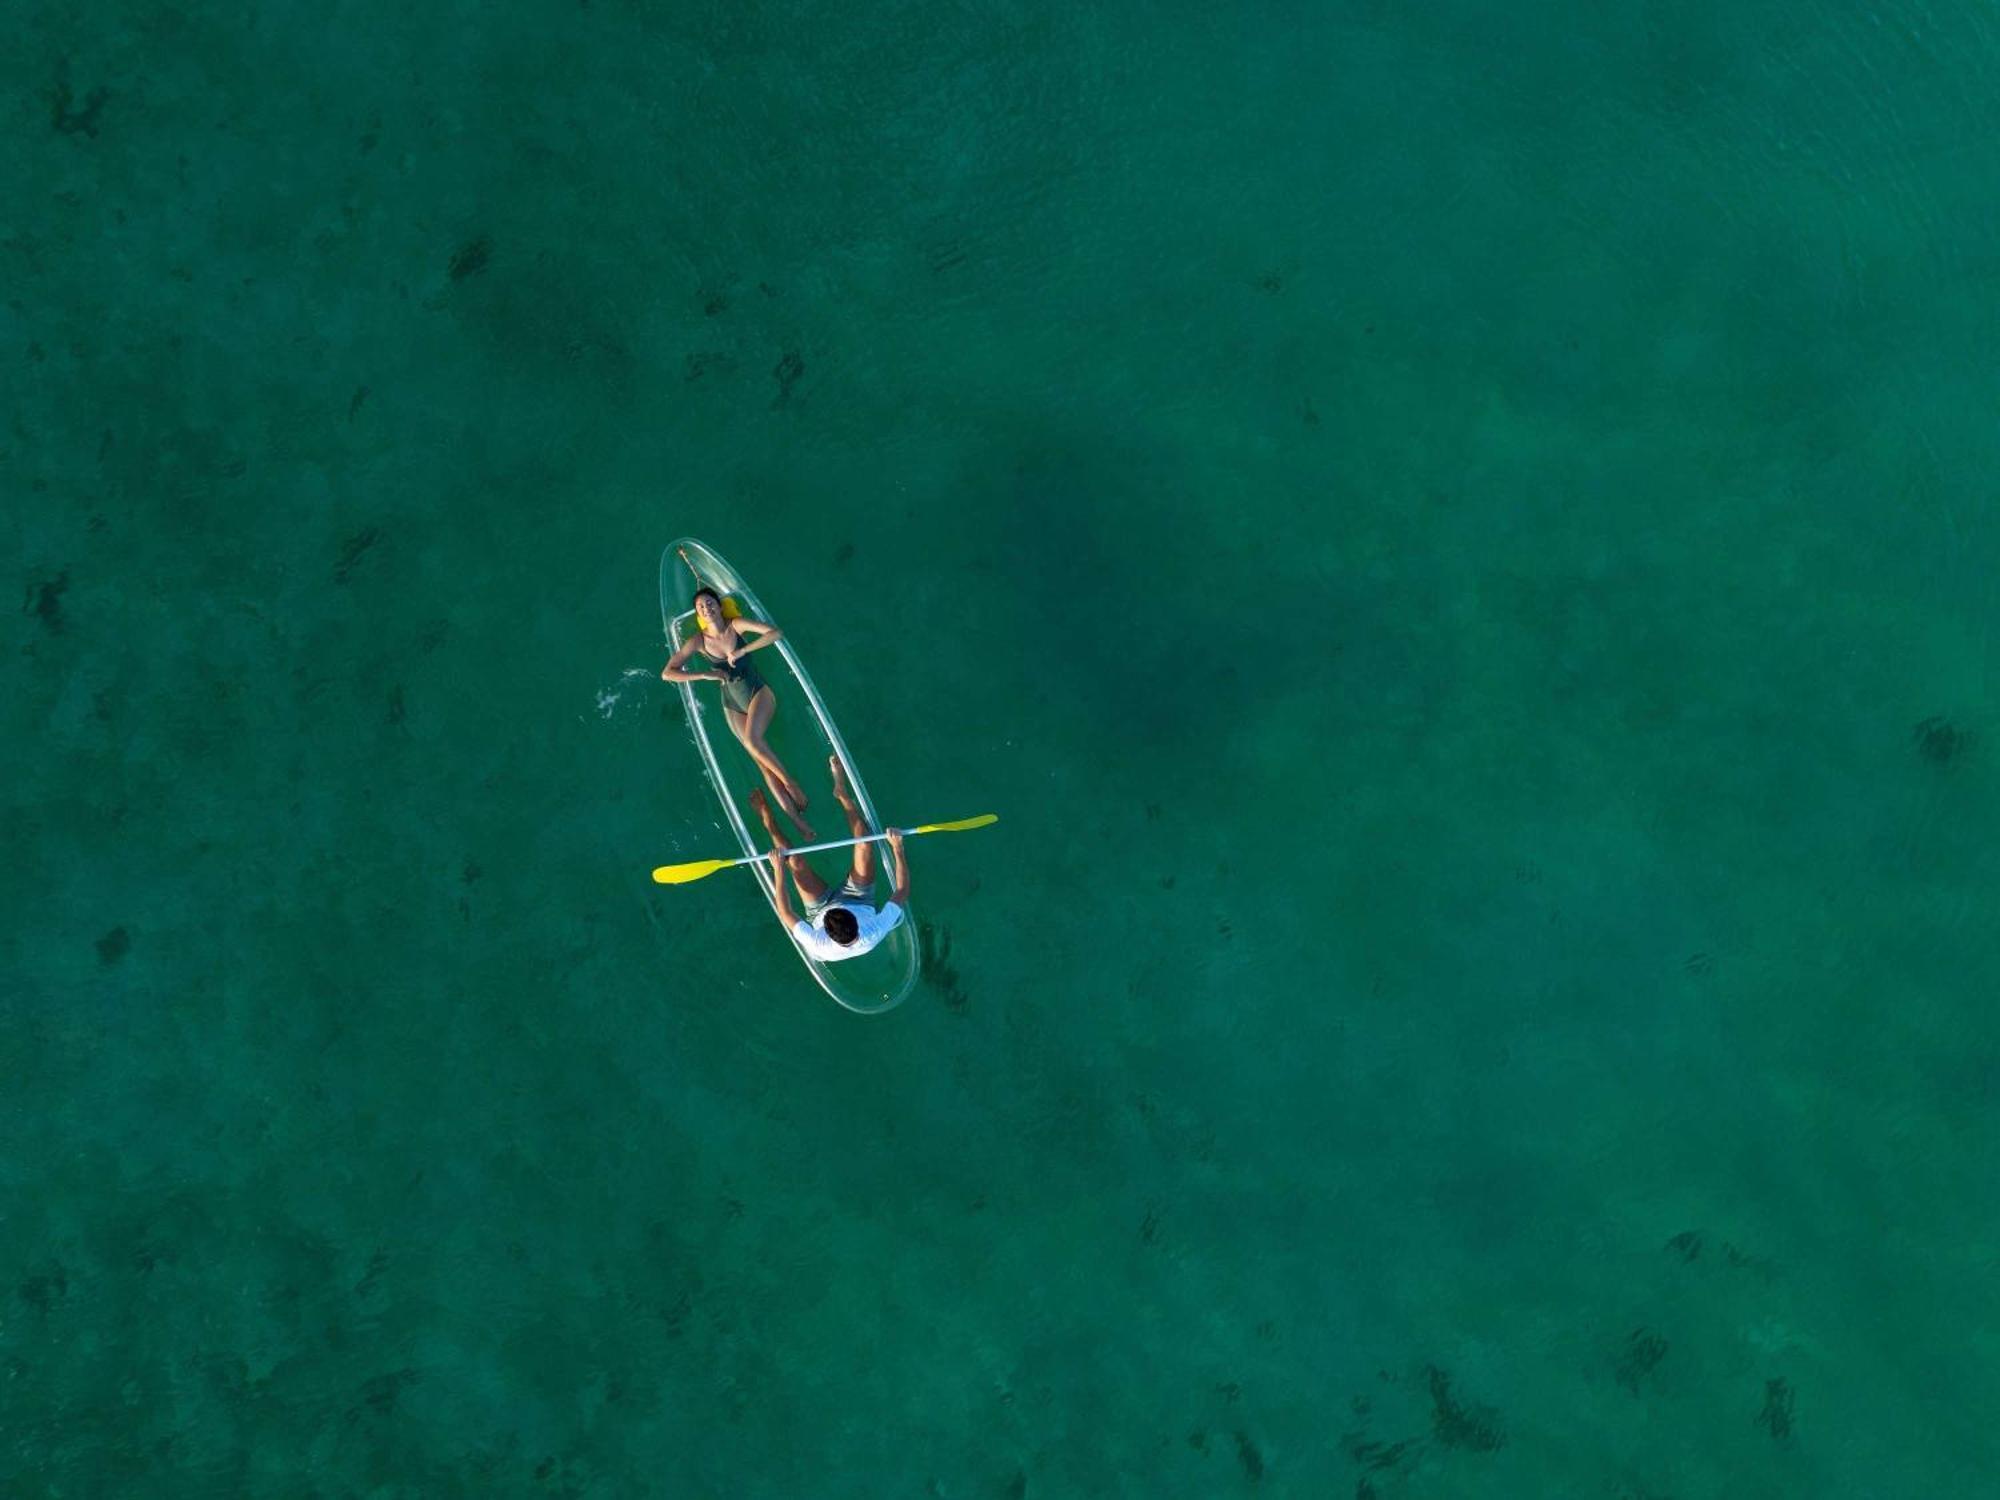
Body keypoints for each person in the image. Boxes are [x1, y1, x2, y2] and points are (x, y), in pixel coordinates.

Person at [663, 586, 814, 839]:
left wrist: (743, 650)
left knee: (753, 741)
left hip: (757, 692)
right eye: (700, 607)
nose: (706, 608)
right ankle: (798, 822)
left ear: (719, 606)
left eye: (710, 603)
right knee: (763, 767)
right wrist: (703, 674)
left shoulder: (736, 625)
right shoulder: (698, 641)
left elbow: (775, 633)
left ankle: (791, 784)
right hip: (731, 702)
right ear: (698, 614)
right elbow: (668, 672)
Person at [753, 754, 908, 961]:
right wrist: (897, 848)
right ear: (855, 923)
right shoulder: (874, 930)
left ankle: (767, 820)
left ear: (827, 932)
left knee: (793, 860)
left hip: (819, 909)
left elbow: (785, 912)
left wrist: (779, 870)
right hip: (859, 898)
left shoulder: (819, 943)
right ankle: (841, 792)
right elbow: (902, 890)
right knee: (864, 841)